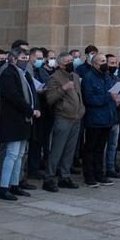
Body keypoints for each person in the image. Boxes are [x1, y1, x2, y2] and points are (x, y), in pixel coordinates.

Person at [0, 48, 40, 201]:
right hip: (13, 119)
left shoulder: (25, 74)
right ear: (13, 59)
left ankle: (15, 184)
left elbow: (32, 93)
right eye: (22, 57)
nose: (25, 60)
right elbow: (13, 96)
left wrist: (36, 108)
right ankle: (4, 187)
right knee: (12, 154)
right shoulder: (8, 73)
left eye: (26, 58)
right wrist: (30, 110)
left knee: (20, 154)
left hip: (25, 119)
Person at [42, 52, 85, 192]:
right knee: (57, 149)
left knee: (69, 150)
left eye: (72, 60)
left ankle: (64, 177)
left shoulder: (75, 76)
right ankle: (48, 178)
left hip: (76, 118)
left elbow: (79, 95)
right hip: (63, 118)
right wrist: (63, 88)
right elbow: (50, 99)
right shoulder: (54, 77)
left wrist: (81, 109)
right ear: (61, 64)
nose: (71, 63)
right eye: (68, 61)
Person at [81, 53, 117, 187]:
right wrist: (109, 97)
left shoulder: (106, 76)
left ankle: (99, 174)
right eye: (102, 61)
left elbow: (111, 91)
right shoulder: (88, 78)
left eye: (105, 61)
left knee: (100, 148)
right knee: (90, 148)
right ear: (94, 64)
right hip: (94, 119)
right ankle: (89, 176)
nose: (105, 63)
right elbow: (90, 100)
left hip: (107, 118)